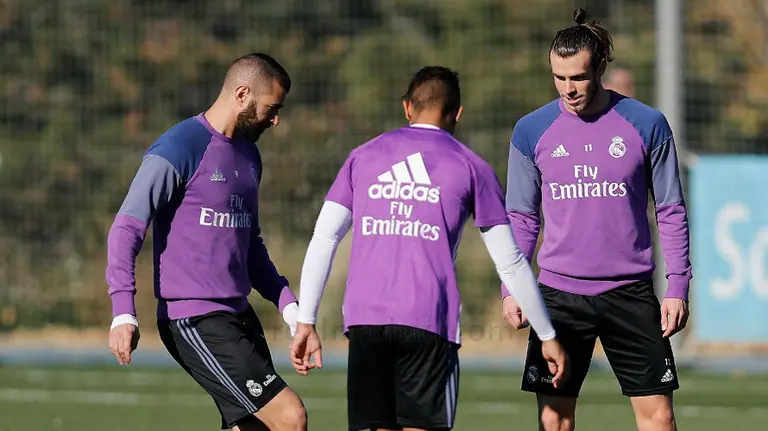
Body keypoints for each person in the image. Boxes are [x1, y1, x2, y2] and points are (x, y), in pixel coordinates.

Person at [289, 66, 568, 431]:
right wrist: (547, 335)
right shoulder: (472, 166)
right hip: (428, 320)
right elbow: (511, 262)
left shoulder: (363, 156)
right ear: (457, 113)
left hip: (365, 321)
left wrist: (306, 320)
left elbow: (324, 238)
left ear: (407, 108)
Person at [501, 8, 692, 431]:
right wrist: (512, 287)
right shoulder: (531, 131)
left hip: (631, 294)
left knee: (658, 418)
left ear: (600, 68)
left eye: (579, 78)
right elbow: (522, 218)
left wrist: (677, 285)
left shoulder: (647, 124)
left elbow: (670, 209)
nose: (568, 89)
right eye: (559, 77)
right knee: (555, 420)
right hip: (558, 299)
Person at [105, 53, 307, 431]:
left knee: (253, 428)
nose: (276, 119)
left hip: (238, 315)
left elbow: (250, 245)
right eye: (271, 107)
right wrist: (123, 310)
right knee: (290, 417)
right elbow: (126, 228)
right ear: (243, 94)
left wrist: (289, 307)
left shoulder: (250, 156)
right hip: (195, 319)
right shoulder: (179, 147)